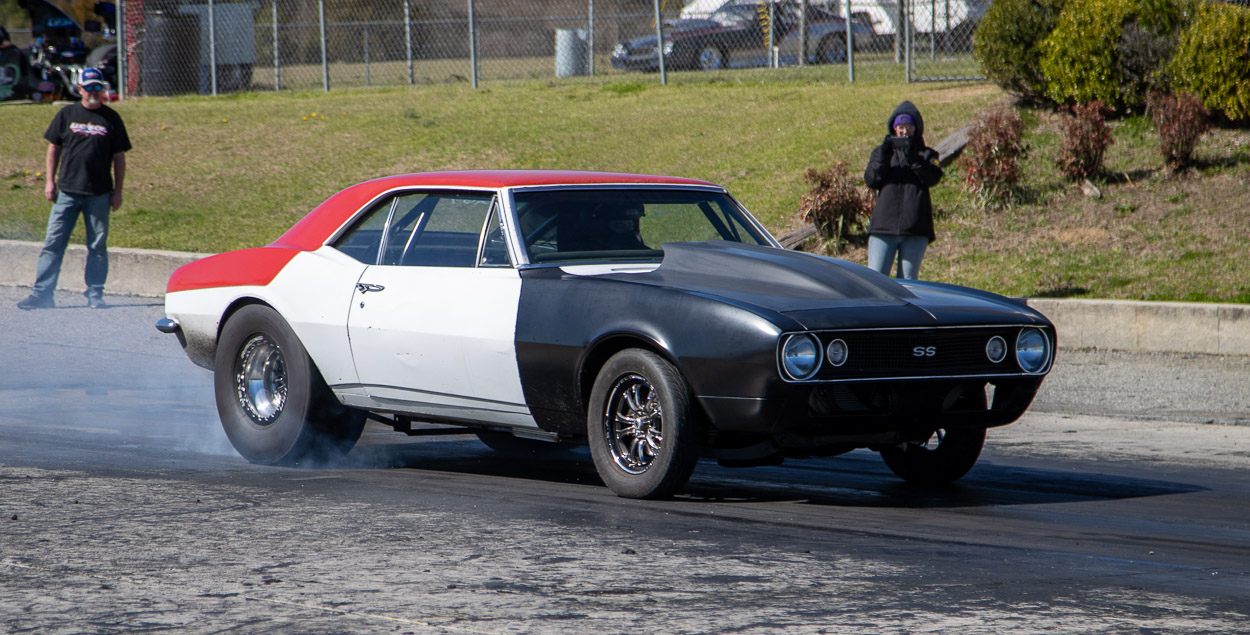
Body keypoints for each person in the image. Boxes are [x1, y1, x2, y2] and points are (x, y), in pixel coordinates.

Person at [18, 68, 131, 310]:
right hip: (67, 191)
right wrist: (50, 181)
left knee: (97, 246)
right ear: (79, 89)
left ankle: (95, 294)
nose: (93, 92)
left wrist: (118, 191)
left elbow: (119, 157)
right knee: (53, 243)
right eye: (89, 87)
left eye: (97, 87)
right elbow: (53, 148)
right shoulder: (67, 114)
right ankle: (42, 294)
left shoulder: (111, 118)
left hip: (99, 193)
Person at [863, 101, 943, 280]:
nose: (905, 132)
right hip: (883, 227)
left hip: (915, 228)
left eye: (909, 127)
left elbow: (932, 178)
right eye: (900, 127)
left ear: (917, 129)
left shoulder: (927, 154)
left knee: (908, 280)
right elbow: (871, 180)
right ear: (894, 128)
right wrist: (884, 154)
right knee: (875, 279)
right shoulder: (882, 153)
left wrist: (913, 156)